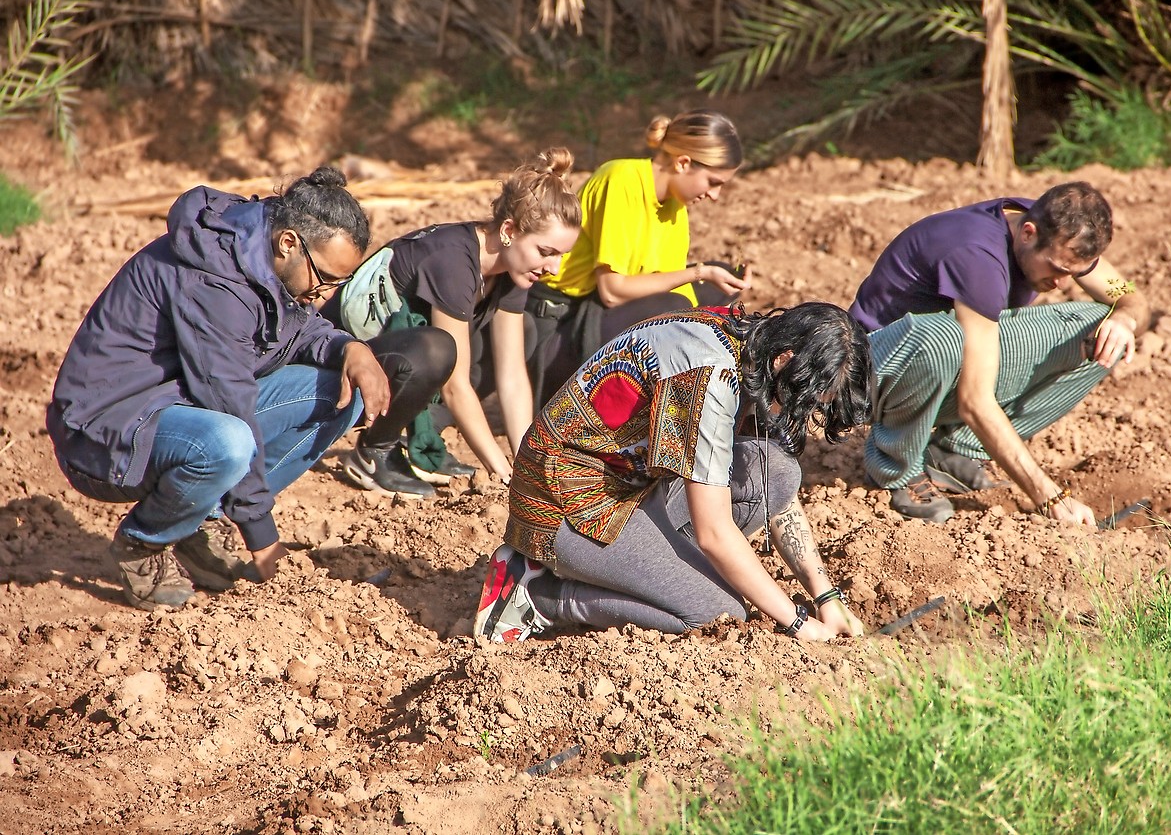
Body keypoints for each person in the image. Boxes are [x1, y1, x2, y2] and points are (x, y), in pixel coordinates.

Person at [48, 167, 390, 610]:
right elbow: (230, 406)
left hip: (175, 405)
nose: (325, 295)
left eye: (338, 284)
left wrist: (351, 349)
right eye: (325, 278)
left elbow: (297, 331)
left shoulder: (264, 252)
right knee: (229, 442)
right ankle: (144, 543)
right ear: (289, 242)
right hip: (104, 432)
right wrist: (261, 535)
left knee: (342, 392)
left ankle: (201, 520)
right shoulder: (215, 282)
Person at [474, 302, 872, 644]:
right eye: (800, 400)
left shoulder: (751, 340)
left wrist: (825, 596)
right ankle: (540, 595)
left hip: (632, 482)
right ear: (785, 359)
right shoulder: (708, 378)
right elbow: (714, 534)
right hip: (567, 501)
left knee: (778, 471)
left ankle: (662, 575)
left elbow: (774, 491)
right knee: (718, 612)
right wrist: (797, 622)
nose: (793, 413)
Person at [848, 181, 1150, 525]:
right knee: (942, 341)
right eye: (1057, 269)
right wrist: (1050, 497)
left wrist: (1124, 319)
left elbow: (1129, 295)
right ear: (1028, 234)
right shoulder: (978, 255)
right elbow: (975, 402)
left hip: (943, 360)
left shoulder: (1057, 231)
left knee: (1103, 327)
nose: (1064, 285)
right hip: (875, 371)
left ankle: (951, 451)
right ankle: (896, 468)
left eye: (1076, 274)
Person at [320, 148, 581, 494]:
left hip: (397, 360)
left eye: (561, 256)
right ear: (509, 231)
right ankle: (373, 451)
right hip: (340, 365)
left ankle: (414, 438)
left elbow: (513, 374)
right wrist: (504, 475)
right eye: (546, 252)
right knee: (438, 349)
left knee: (524, 333)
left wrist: (525, 465)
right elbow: (455, 387)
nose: (554, 268)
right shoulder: (454, 260)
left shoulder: (512, 268)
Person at [525, 110, 751, 405]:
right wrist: (698, 272)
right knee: (677, 306)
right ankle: (599, 400)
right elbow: (613, 291)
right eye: (713, 182)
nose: (715, 195)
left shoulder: (674, 206)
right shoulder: (620, 179)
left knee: (716, 288)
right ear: (683, 163)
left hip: (594, 316)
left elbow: (678, 288)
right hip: (558, 328)